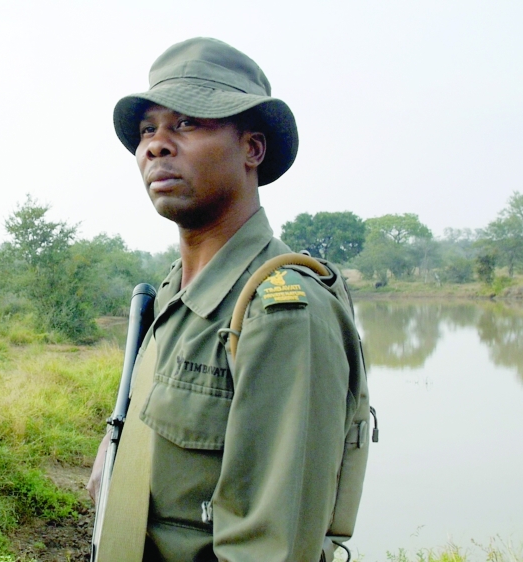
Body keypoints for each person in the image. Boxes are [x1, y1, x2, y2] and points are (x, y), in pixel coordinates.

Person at [88, 37, 367, 561]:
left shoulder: (281, 314)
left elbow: (269, 550)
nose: (156, 145)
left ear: (252, 149)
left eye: (187, 123)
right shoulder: (174, 289)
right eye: (148, 130)